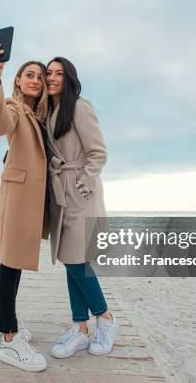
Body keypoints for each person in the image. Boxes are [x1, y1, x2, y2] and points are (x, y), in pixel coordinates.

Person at [0, 44, 51, 372]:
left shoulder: (40, 116)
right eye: (29, 75)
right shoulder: (14, 107)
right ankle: (10, 341)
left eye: (40, 75)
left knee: (15, 262)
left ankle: (5, 318)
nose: (36, 79)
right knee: (10, 264)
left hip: (29, 200)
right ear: (19, 82)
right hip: (19, 196)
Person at [44, 57, 119, 359]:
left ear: (69, 77)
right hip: (60, 192)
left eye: (58, 73)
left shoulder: (79, 106)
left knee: (78, 261)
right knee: (69, 258)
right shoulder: (50, 110)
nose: (51, 78)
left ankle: (106, 317)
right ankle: (80, 328)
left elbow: (98, 152)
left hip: (79, 193)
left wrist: (83, 185)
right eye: (49, 73)